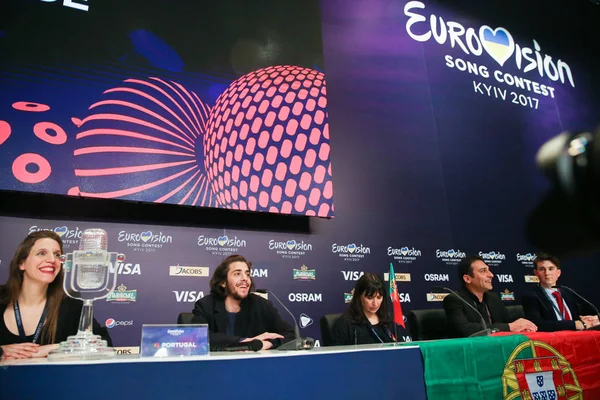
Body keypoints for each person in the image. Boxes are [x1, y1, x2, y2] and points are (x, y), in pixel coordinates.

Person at [0, 231, 111, 361]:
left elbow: (105, 347)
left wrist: (53, 349)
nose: (52, 260)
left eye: (57, 255)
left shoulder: (72, 306)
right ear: (21, 263)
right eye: (42, 253)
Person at [191, 254, 295, 350]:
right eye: (237, 274)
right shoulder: (205, 305)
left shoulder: (262, 305)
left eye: (247, 274)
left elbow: (291, 335)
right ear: (223, 282)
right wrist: (245, 342)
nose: (245, 278)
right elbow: (197, 337)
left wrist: (268, 343)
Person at [443, 255, 537, 338]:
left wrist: (523, 327)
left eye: (488, 270)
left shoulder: (493, 298)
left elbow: (509, 321)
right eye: (483, 271)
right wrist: (510, 327)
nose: (491, 275)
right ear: (467, 279)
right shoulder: (454, 299)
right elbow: (464, 329)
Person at [522, 252, 600, 332]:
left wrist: (592, 318)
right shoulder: (531, 296)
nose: (547, 273)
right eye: (542, 269)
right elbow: (536, 324)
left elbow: (582, 314)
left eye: (551, 269)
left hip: (577, 337)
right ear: (536, 273)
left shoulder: (568, 292)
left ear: (558, 273)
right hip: (553, 340)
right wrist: (574, 324)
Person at [331, 273, 410, 345]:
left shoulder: (388, 319)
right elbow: (336, 357)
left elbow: (401, 348)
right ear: (359, 296)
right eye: (370, 297)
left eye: (379, 297)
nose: (375, 303)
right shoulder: (346, 323)